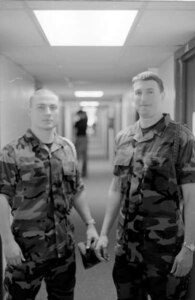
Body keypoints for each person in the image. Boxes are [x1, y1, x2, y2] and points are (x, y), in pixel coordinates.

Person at [95, 71, 195, 300]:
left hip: (166, 249)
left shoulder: (181, 138)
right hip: (127, 248)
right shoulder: (123, 137)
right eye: (138, 92)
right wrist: (103, 234)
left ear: (162, 94)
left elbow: (192, 199)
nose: (143, 98)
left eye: (150, 91)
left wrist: (190, 247)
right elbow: (115, 188)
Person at [0, 89, 98, 300]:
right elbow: (2, 197)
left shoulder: (67, 148)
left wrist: (90, 224)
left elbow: (77, 189)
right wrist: (7, 242)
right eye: (41, 107)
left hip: (63, 248)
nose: (48, 112)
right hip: (26, 249)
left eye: (52, 107)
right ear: (30, 111)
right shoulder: (12, 151)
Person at [74, 109, 88, 177]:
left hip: (81, 139)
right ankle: (80, 171)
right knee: (80, 156)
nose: (78, 116)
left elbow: (75, 128)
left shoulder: (82, 121)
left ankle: (82, 172)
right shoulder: (82, 121)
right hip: (81, 138)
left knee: (80, 156)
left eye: (79, 114)